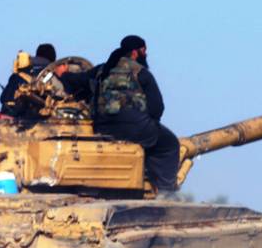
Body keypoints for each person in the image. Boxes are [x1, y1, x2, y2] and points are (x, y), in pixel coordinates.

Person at [58, 35, 179, 192]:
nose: (146, 54)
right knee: (169, 145)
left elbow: (77, 81)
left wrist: (64, 74)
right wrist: (148, 123)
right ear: (135, 53)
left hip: (103, 129)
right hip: (137, 129)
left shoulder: (102, 70)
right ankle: (165, 191)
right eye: (144, 50)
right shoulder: (141, 73)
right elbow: (157, 108)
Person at [0, 43, 57, 118]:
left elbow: (3, 98)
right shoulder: (54, 74)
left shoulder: (19, 74)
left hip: (15, 118)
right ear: (54, 58)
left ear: (37, 55)